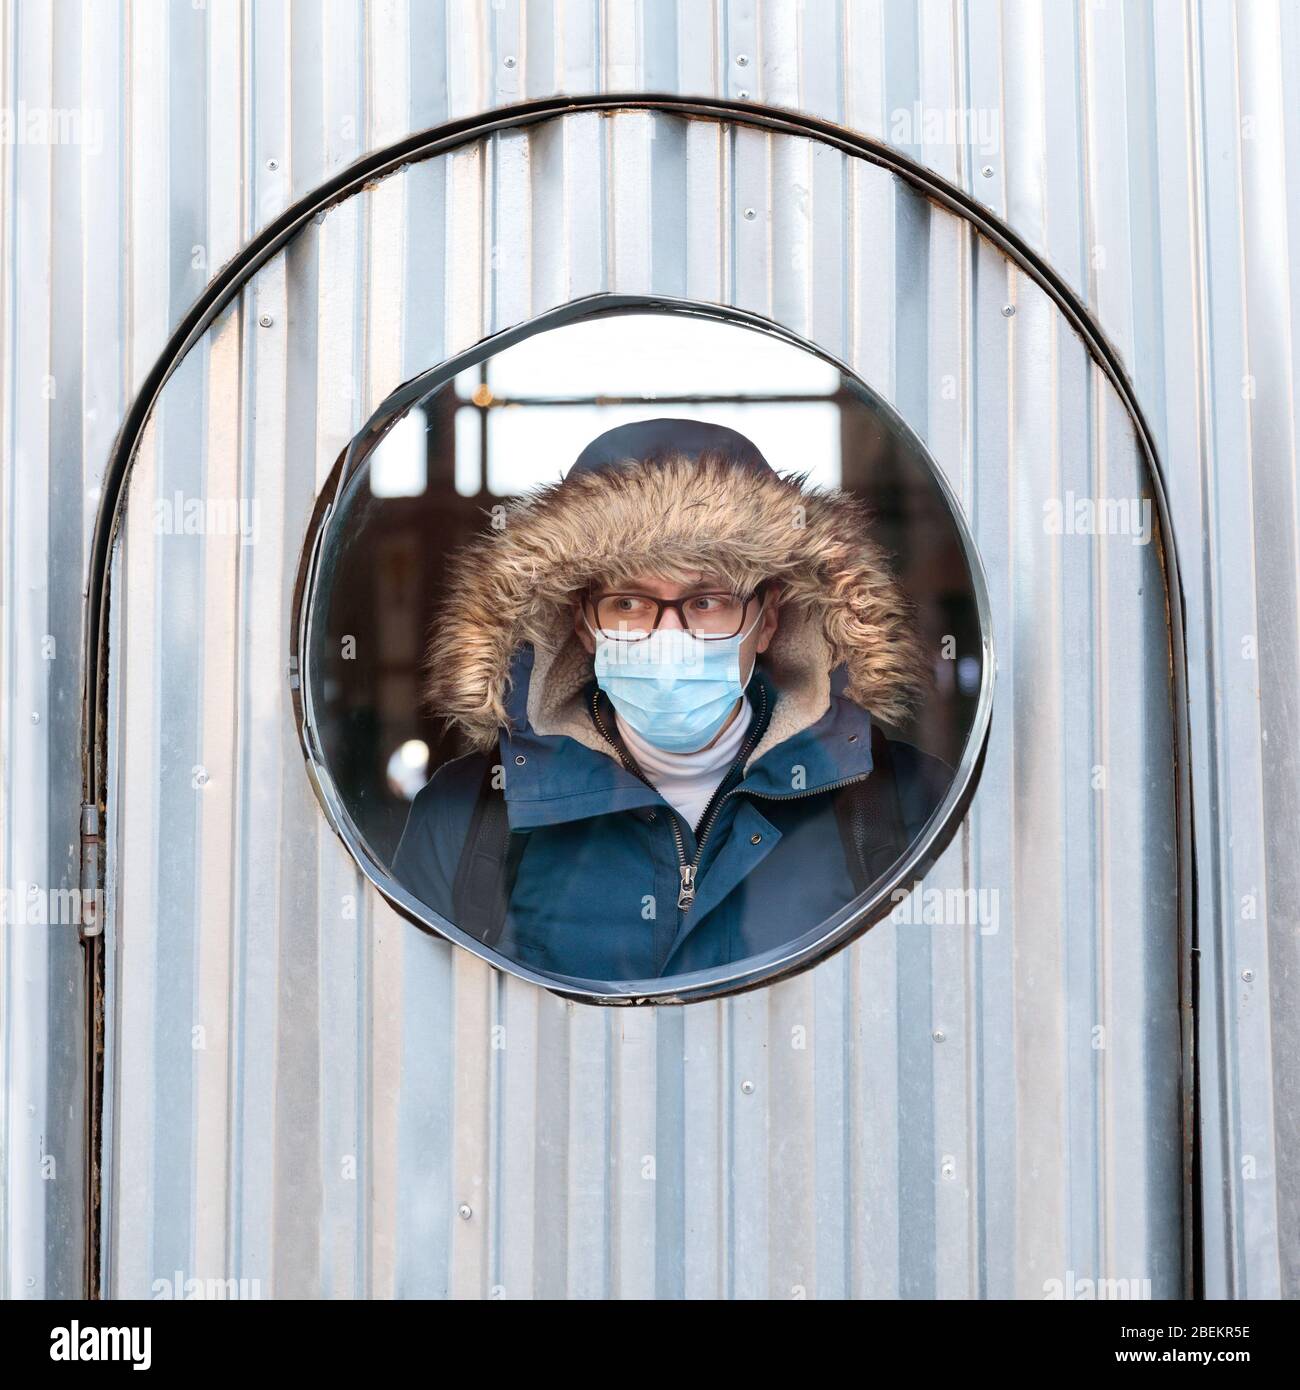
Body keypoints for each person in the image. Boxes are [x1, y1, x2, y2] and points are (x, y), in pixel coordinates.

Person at [393, 418, 949, 982]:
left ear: (766, 620)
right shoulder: (468, 817)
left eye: (707, 601)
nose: (669, 637)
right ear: (583, 623)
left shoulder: (904, 807)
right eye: (629, 604)